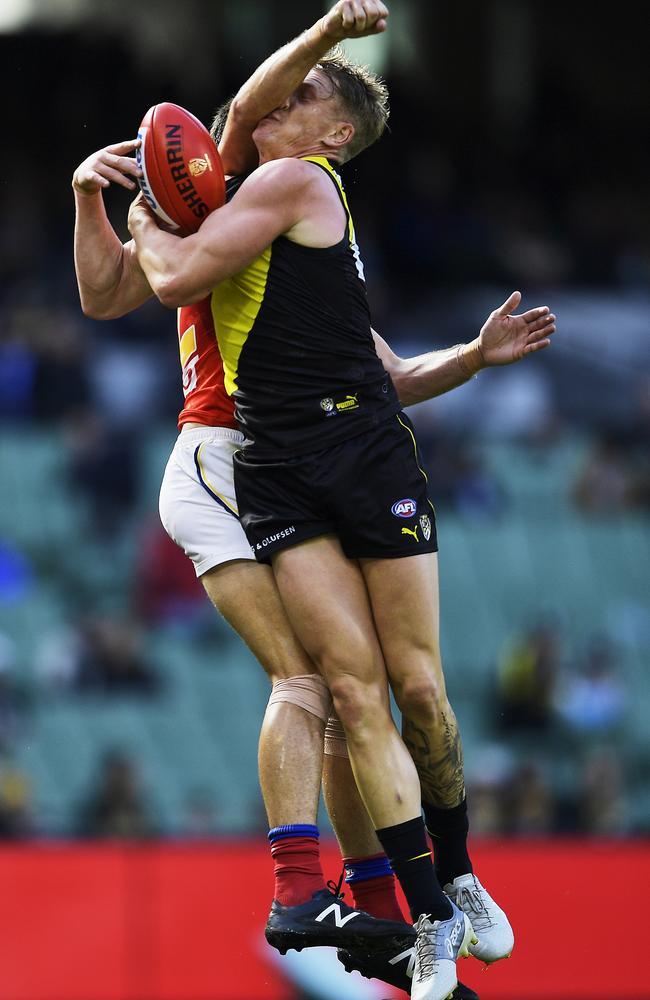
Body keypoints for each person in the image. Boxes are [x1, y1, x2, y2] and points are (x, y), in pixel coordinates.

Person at [73, 3, 555, 997]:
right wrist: (104, 203)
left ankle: (389, 909)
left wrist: (471, 353)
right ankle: (313, 891)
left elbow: (380, 370)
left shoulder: (256, 212)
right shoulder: (230, 198)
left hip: (291, 451)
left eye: (305, 97)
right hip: (227, 452)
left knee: (353, 694)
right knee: (314, 683)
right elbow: (119, 291)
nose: (263, 110)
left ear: (333, 132)